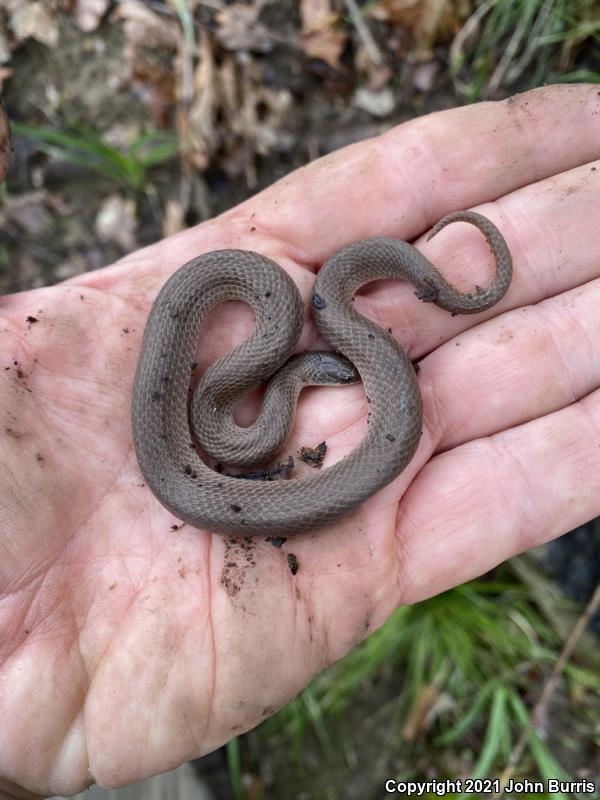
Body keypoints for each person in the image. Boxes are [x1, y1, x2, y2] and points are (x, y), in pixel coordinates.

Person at [1, 83, 599, 799]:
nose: (361, 376)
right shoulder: (250, 393)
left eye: (350, 368)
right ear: (302, 370)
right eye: (344, 370)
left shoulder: (258, 371)